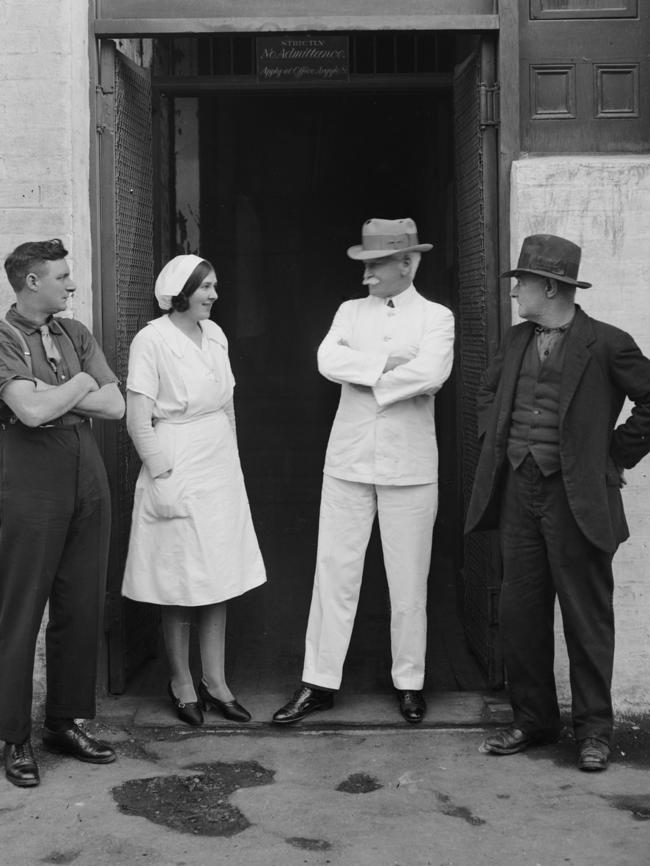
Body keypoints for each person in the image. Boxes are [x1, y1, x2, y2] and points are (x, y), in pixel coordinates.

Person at [465, 233, 650, 772]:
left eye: (521, 282)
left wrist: (613, 454)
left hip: (578, 499)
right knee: (521, 613)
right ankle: (534, 719)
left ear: (549, 285)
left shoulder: (608, 343)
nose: (515, 291)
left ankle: (593, 732)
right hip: (520, 491)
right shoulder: (516, 340)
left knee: (586, 618)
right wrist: (494, 443)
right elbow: (486, 393)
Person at [273, 217, 455, 726]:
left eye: (376, 264)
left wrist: (367, 371)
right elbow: (327, 360)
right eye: (365, 264)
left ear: (408, 262)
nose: (367, 274)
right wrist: (391, 362)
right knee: (334, 573)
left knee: (408, 580)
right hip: (349, 461)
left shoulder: (437, 317)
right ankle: (318, 682)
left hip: (411, 466)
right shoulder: (349, 312)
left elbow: (433, 372)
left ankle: (410, 683)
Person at [0, 239, 125, 788]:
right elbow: (28, 413)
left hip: (85, 467)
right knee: (21, 606)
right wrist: (79, 383)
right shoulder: (3, 336)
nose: (72, 285)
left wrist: (56, 395)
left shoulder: (76, 333)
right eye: (62, 277)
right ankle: (13, 736)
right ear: (32, 282)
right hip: (29, 477)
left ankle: (63, 722)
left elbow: (116, 406)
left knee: (81, 599)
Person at [122, 254, 266, 726]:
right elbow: (138, 418)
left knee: (217, 576)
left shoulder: (216, 336)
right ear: (181, 291)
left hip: (217, 464)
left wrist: (234, 464)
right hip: (176, 458)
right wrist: (162, 475)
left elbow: (227, 406)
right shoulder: (152, 340)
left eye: (215, 286)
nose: (214, 295)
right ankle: (182, 681)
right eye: (206, 287)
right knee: (178, 580)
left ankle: (217, 682)